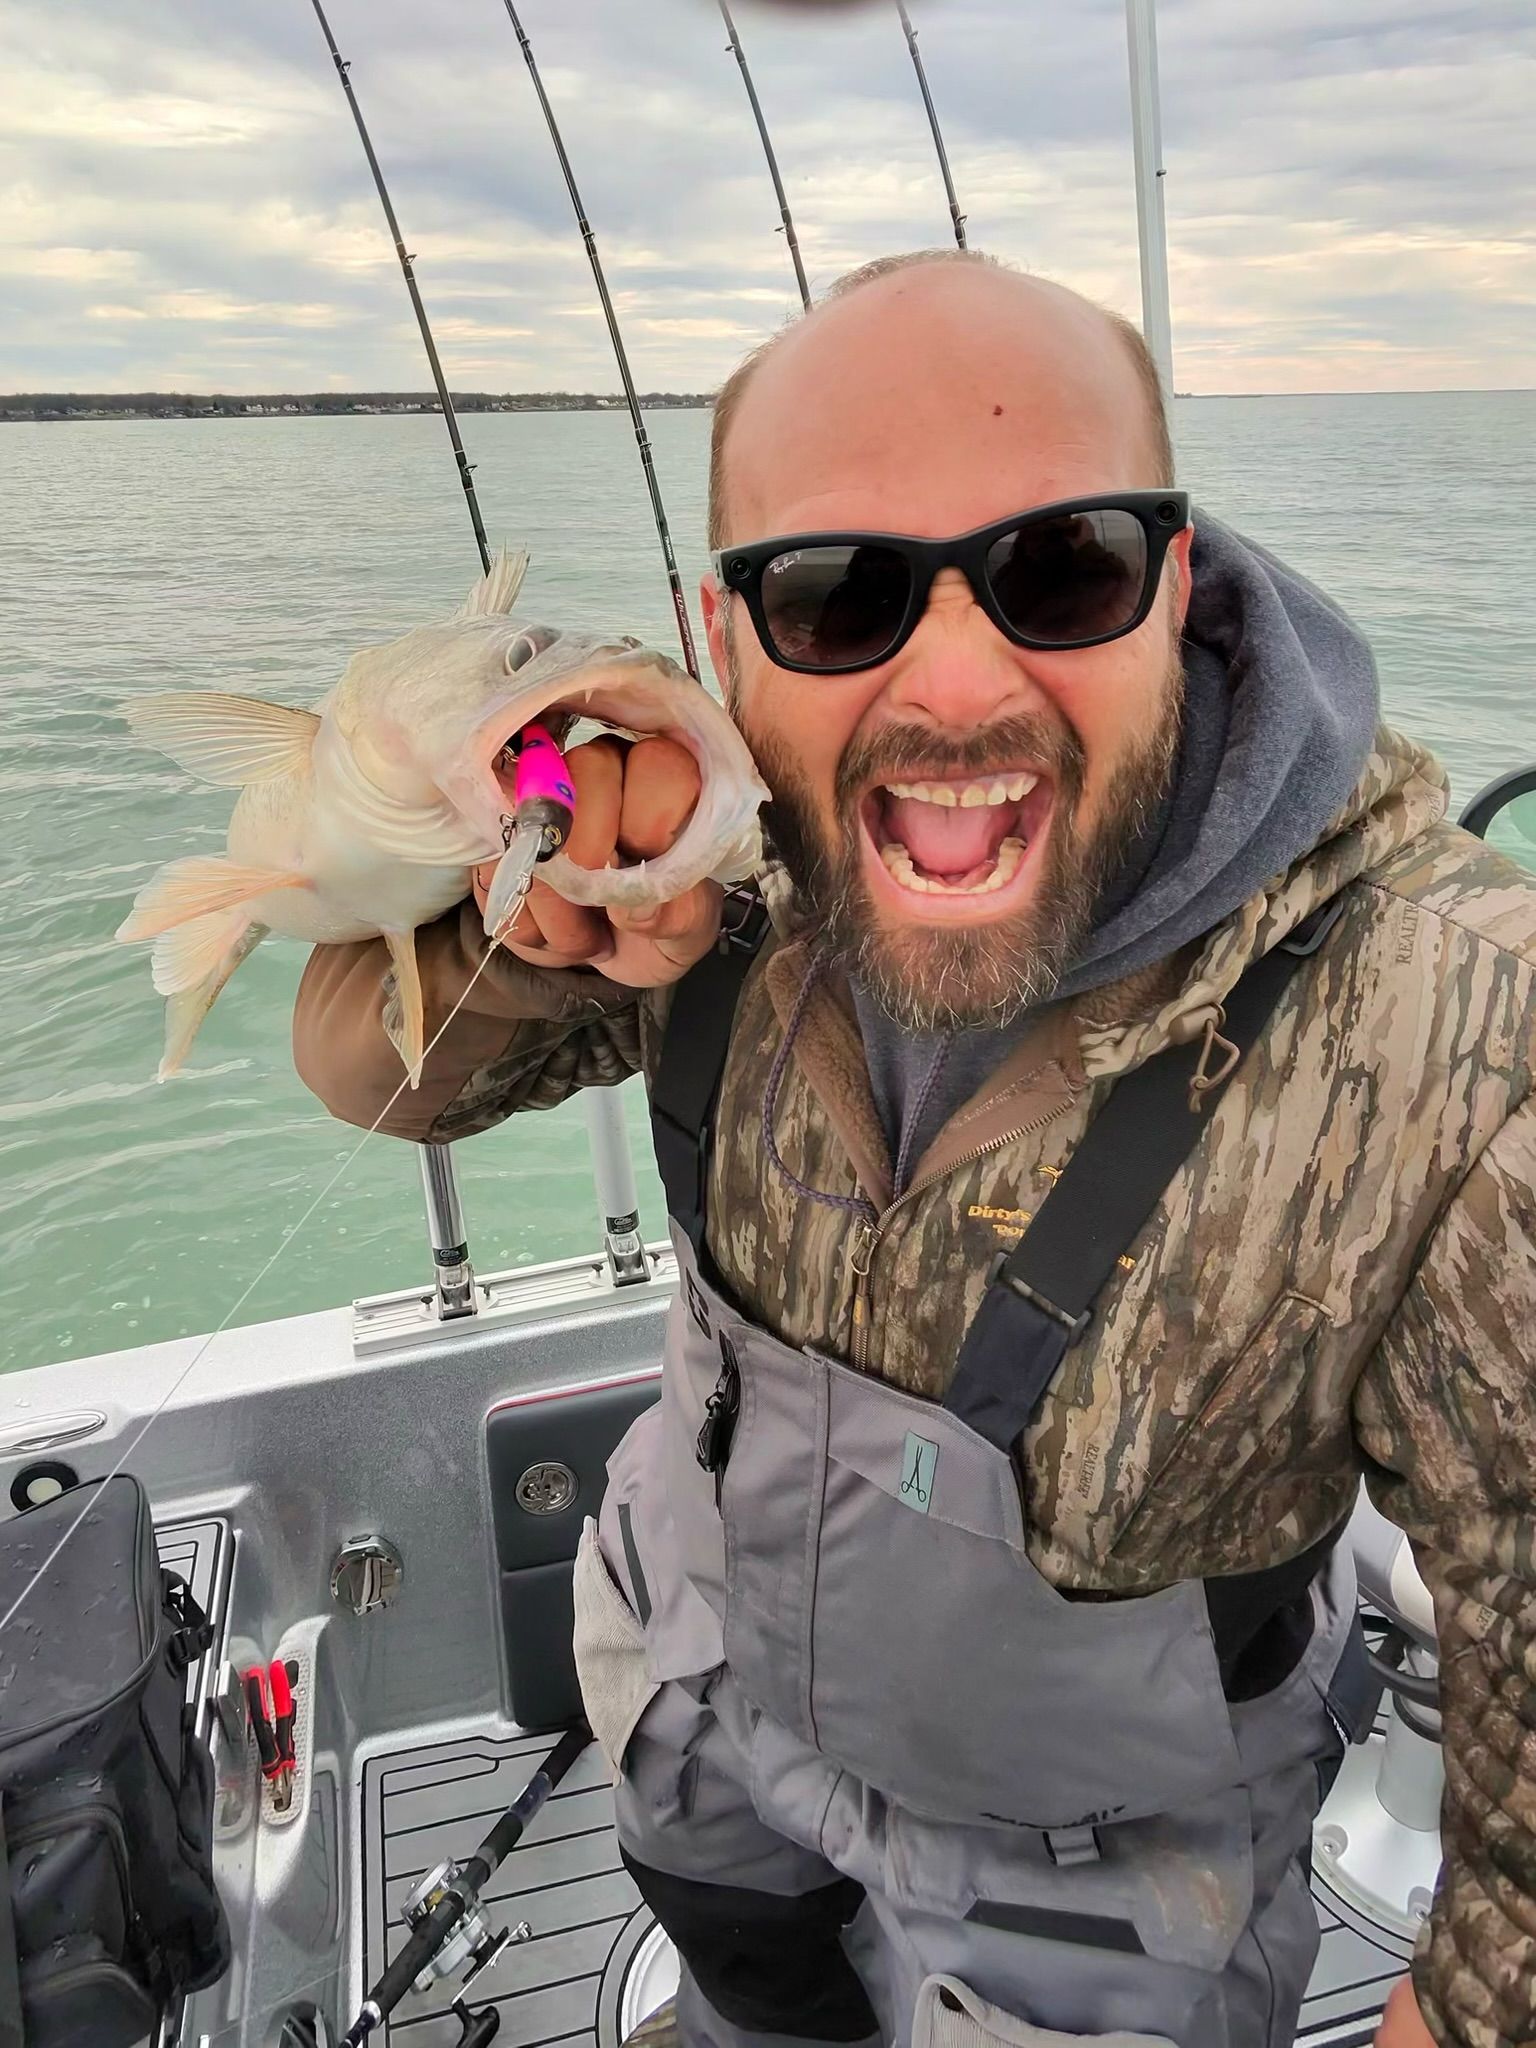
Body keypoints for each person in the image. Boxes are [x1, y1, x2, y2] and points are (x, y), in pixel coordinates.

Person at [293, 252, 1536, 2048]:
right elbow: (368, 1067)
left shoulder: (1450, 1028)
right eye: (832, 595)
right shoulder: (722, 876)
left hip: (1092, 1899)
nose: (957, 682)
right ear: (722, 641)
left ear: (1174, 582)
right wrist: (533, 860)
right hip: (705, 1702)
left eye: (1065, 567)